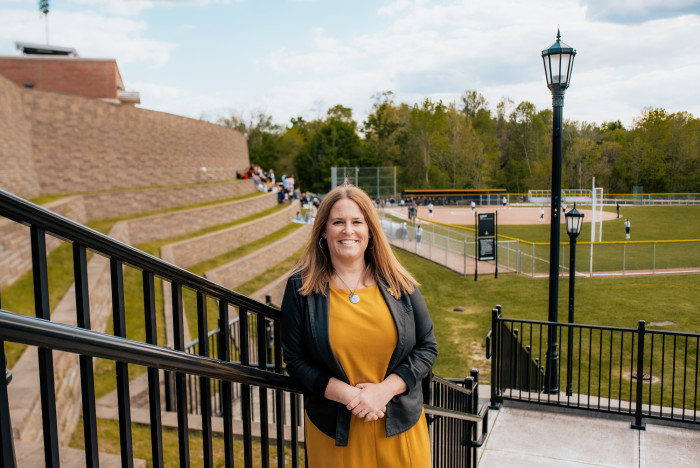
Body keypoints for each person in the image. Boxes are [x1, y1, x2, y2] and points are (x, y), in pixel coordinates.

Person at [281, 184, 437, 468]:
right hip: (335, 434)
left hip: (400, 429)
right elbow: (295, 359)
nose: (348, 230)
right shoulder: (300, 288)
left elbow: (427, 347)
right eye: (338, 222)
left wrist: (384, 390)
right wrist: (351, 396)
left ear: (370, 231)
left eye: (357, 222)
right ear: (323, 231)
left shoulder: (399, 283)